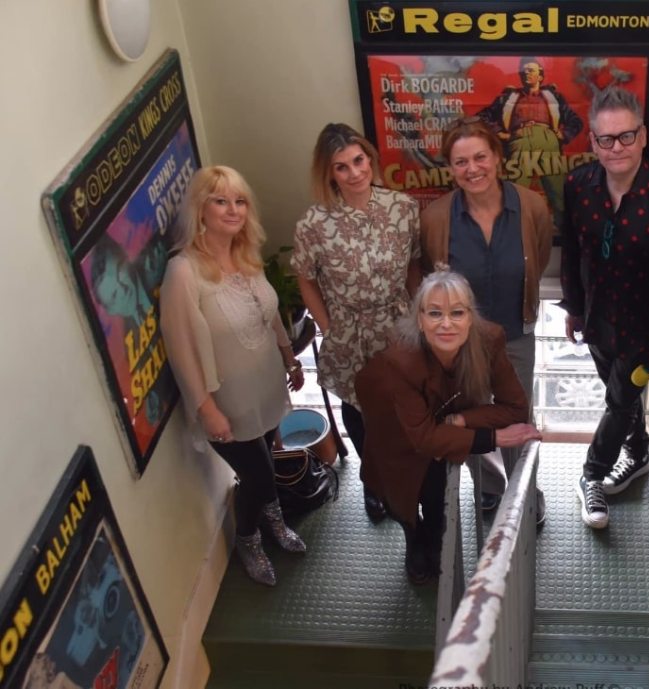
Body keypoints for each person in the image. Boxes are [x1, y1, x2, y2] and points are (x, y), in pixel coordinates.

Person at [160, 165, 307, 587]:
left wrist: (289, 357)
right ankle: (249, 537)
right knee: (258, 477)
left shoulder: (246, 255)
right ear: (200, 209)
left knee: (268, 456)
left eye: (239, 201)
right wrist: (206, 408)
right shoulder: (184, 272)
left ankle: (275, 519)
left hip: (265, 385)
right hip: (228, 402)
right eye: (220, 200)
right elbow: (182, 348)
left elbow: (270, 314)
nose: (233, 209)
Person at [559, 86, 649, 529]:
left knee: (619, 401)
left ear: (643, 136)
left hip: (643, 333)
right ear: (592, 142)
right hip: (598, 323)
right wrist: (573, 310)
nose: (616, 147)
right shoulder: (578, 185)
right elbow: (572, 255)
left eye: (626, 136)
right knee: (622, 397)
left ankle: (591, 475)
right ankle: (637, 454)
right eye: (605, 139)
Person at [355, 267, 541, 584]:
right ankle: (413, 536)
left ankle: (435, 532)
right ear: (419, 320)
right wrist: (492, 436)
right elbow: (424, 437)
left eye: (457, 312)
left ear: (471, 316)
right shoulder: (401, 361)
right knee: (401, 488)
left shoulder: (489, 339)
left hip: (441, 420)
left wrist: (462, 420)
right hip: (394, 422)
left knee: (436, 487)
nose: (446, 323)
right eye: (434, 313)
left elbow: (516, 407)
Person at [420, 116, 552, 523]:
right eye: (461, 162)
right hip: (461, 343)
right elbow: (431, 276)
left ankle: (523, 488)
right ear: (450, 167)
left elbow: (540, 256)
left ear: (497, 157)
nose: (472, 168)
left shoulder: (531, 205)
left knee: (515, 413)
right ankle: (490, 489)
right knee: (473, 419)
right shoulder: (437, 217)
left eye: (480, 157)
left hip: (515, 332)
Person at [290, 123, 421, 523]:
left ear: (370, 158)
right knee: (359, 409)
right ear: (329, 173)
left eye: (358, 160)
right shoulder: (314, 223)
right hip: (349, 329)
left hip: (397, 323)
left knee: (402, 407)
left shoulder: (402, 207)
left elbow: (415, 263)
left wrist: (417, 316)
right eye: (341, 167)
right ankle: (374, 480)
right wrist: (329, 327)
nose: (354, 173)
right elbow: (305, 278)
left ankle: (409, 478)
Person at [478, 57, 583, 225]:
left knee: (558, 193)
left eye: (532, 70)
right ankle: (515, 238)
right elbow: (482, 117)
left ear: (540, 76)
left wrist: (563, 135)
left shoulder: (553, 96)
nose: (527, 73)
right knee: (515, 194)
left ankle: (566, 239)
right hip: (519, 140)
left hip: (548, 140)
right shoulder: (509, 97)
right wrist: (499, 133)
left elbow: (575, 121)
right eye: (524, 71)